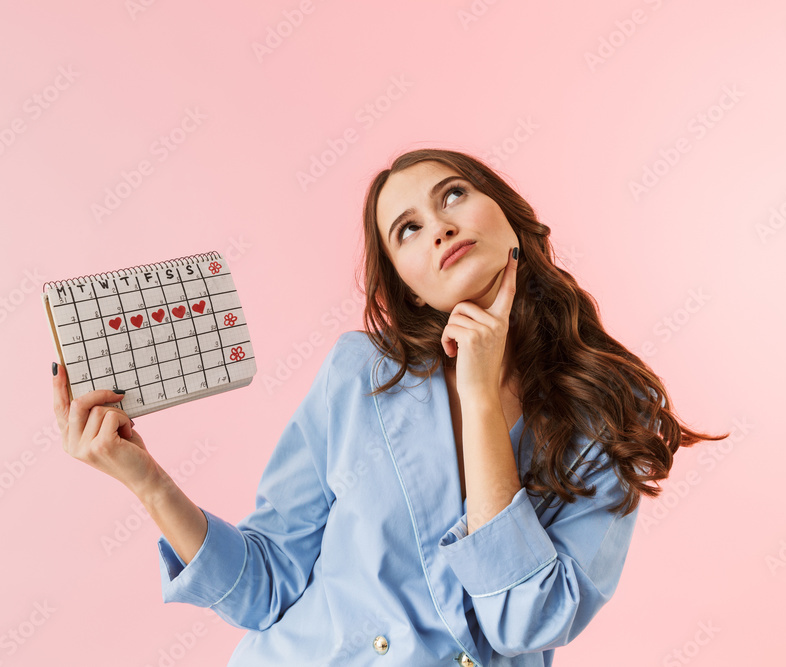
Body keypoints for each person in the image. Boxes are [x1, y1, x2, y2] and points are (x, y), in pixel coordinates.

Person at [50, 148, 728, 666]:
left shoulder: (610, 410)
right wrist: (142, 475)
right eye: (407, 229)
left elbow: (524, 621)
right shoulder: (362, 372)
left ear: (511, 219)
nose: (439, 227)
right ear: (407, 287)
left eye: (453, 195)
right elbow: (266, 586)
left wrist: (481, 401)